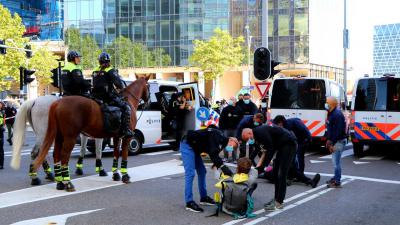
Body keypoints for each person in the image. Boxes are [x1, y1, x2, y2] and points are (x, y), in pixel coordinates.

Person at [180, 126, 239, 212]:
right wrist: (223, 167)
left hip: (195, 147)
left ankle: (203, 198)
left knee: (202, 171)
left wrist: (217, 165)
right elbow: (213, 152)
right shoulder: (219, 136)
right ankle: (189, 202)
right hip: (187, 144)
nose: (232, 148)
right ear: (231, 140)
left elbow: (214, 155)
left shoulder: (221, 142)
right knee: (190, 173)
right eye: (234, 145)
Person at [241, 125, 297, 211]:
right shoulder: (256, 135)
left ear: (249, 133)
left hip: (289, 144)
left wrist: (262, 167)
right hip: (281, 146)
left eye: (247, 139)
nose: (248, 141)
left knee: (281, 174)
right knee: (275, 173)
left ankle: (279, 203)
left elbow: (270, 150)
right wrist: (248, 162)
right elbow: (257, 149)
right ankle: (276, 199)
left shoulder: (260, 132)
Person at [92, 52, 134, 139]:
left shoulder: (94, 70)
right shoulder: (110, 70)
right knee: (126, 107)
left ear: (99, 62)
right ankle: (125, 130)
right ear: (108, 61)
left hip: (95, 97)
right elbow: (119, 84)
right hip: (108, 97)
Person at [272, 115, 320, 188]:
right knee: (293, 164)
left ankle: (300, 176)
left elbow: (303, 130)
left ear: (280, 122)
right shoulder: (287, 125)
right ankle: (302, 178)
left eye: (277, 124)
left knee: (297, 160)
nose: (276, 126)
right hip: (296, 142)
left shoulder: (291, 123)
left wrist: (308, 138)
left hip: (302, 141)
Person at [325, 96, 347, 188]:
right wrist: (328, 140)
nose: (326, 105)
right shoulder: (331, 113)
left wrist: (332, 143)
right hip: (335, 141)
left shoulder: (337, 115)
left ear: (332, 105)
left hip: (339, 141)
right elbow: (331, 129)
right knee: (335, 161)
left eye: (327, 103)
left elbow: (338, 131)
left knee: (336, 162)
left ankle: (337, 182)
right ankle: (335, 177)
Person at [219, 96, 242, 161]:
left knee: (234, 144)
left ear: (235, 101)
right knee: (225, 143)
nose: (230, 100)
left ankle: (234, 158)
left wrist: (239, 129)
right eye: (230, 99)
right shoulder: (225, 109)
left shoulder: (239, 109)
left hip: (235, 130)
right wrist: (221, 128)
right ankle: (226, 157)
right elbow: (221, 119)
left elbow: (241, 120)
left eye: (232, 99)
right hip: (226, 129)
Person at [0, 101, 5, 169]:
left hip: (0, 131)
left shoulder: (3, 112)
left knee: (0, 149)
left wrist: (2, 127)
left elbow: (3, 122)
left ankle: (1, 164)